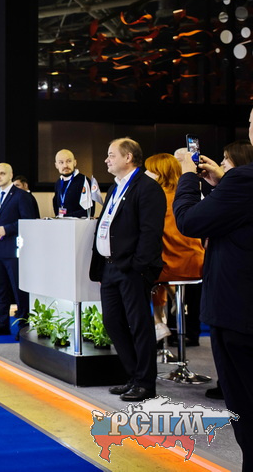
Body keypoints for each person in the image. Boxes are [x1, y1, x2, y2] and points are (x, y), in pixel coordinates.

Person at [173, 110, 253, 468]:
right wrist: (224, 182)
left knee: (246, 414)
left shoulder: (245, 180)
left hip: (238, 313)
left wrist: (187, 177)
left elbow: (189, 220)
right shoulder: (241, 182)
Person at [89, 137, 165, 402]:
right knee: (112, 322)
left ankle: (145, 383)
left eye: (111, 155)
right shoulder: (115, 187)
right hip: (110, 268)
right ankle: (134, 376)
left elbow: (150, 233)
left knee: (139, 325)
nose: (106, 160)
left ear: (128, 157)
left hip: (131, 268)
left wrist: (137, 265)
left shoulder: (147, 187)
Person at [142, 154, 204, 343]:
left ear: (159, 172)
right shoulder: (186, 195)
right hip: (196, 263)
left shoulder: (155, 197)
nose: (145, 173)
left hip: (172, 266)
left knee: (139, 274)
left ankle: (157, 322)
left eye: (149, 170)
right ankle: (174, 302)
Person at [0, 163, 39, 337]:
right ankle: (2, 324)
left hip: (14, 251)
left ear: (10, 175)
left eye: (2, 173)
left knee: (18, 290)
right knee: (0, 289)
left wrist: (7, 229)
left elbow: (29, 221)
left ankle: (23, 326)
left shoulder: (21, 196)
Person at [52, 149, 99, 218]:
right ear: (56, 165)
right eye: (61, 162)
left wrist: (65, 216)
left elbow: (89, 211)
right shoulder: (58, 182)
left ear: (75, 163)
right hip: (62, 222)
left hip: (79, 223)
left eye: (69, 161)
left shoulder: (83, 180)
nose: (65, 165)